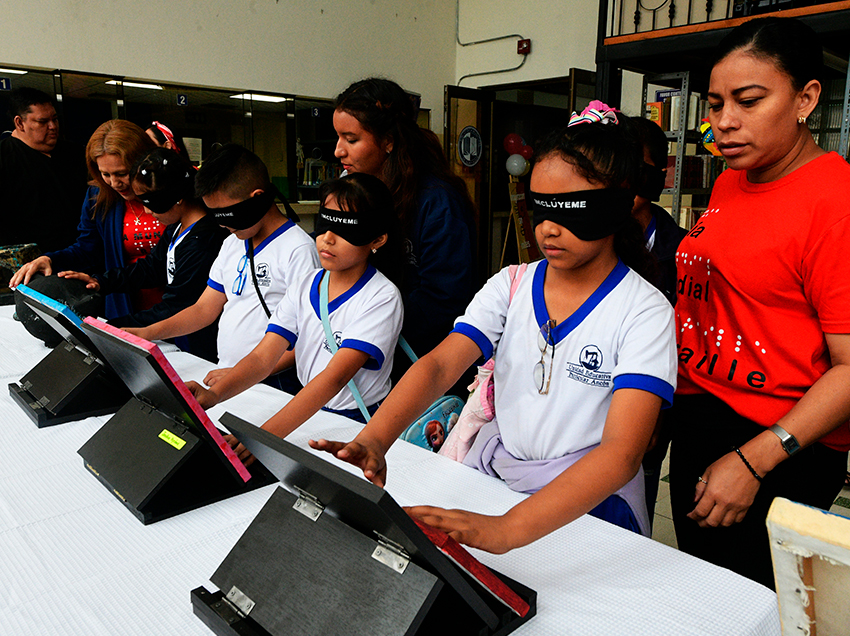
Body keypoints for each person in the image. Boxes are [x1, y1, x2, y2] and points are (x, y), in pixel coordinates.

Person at [312, 107, 677, 551]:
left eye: (572, 212)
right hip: (500, 476)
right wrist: (374, 437)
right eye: (541, 208)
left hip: (589, 502)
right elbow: (440, 366)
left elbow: (621, 455)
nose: (549, 229)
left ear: (618, 204)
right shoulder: (512, 285)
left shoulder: (644, 310)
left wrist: (508, 528)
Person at [669, 17, 850, 590]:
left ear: (806, 98)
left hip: (778, 441)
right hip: (702, 415)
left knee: (750, 608)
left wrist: (754, 460)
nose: (724, 122)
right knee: (699, 593)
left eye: (749, 101)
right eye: (717, 102)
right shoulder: (729, 181)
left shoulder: (833, 201)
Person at [200, 173, 404, 457]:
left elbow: (333, 378)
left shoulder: (382, 297)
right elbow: (262, 357)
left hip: (357, 424)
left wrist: (263, 437)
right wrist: (213, 395)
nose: (327, 239)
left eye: (346, 229)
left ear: (377, 238)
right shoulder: (306, 283)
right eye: (325, 224)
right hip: (311, 412)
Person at [124, 144, 319, 393]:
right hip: (226, 374)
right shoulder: (232, 244)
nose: (222, 225)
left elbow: (307, 337)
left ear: (256, 198)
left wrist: (243, 373)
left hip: (273, 382)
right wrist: (147, 333)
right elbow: (204, 309)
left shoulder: (298, 250)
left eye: (228, 215)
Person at [333, 78, 476, 371]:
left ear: (388, 141)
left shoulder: (438, 202)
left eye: (351, 139)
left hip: (418, 360)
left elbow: (444, 298)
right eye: (338, 138)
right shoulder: (357, 193)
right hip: (360, 347)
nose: (338, 151)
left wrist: (373, 323)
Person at [58, 147, 227, 361]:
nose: (147, 212)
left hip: (202, 347)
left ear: (176, 198)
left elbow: (179, 306)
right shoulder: (179, 226)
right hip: (181, 337)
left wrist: (112, 327)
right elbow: (152, 267)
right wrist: (100, 282)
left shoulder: (203, 242)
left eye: (151, 204)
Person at [10, 119, 161, 318]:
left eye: (122, 173)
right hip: (127, 305)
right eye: (105, 174)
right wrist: (51, 259)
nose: (115, 183)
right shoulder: (98, 197)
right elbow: (87, 249)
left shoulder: (172, 195)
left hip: (181, 303)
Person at [627, 115, 688, 522]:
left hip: (653, 406)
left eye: (635, 170)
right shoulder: (585, 241)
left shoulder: (683, 250)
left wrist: (654, 417)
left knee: (637, 498)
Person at [0, 87, 86, 252]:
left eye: (55, 119)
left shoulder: (75, 153)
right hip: (26, 265)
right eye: (43, 121)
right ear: (19, 123)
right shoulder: (4, 158)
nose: (53, 126)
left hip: (77, 255)